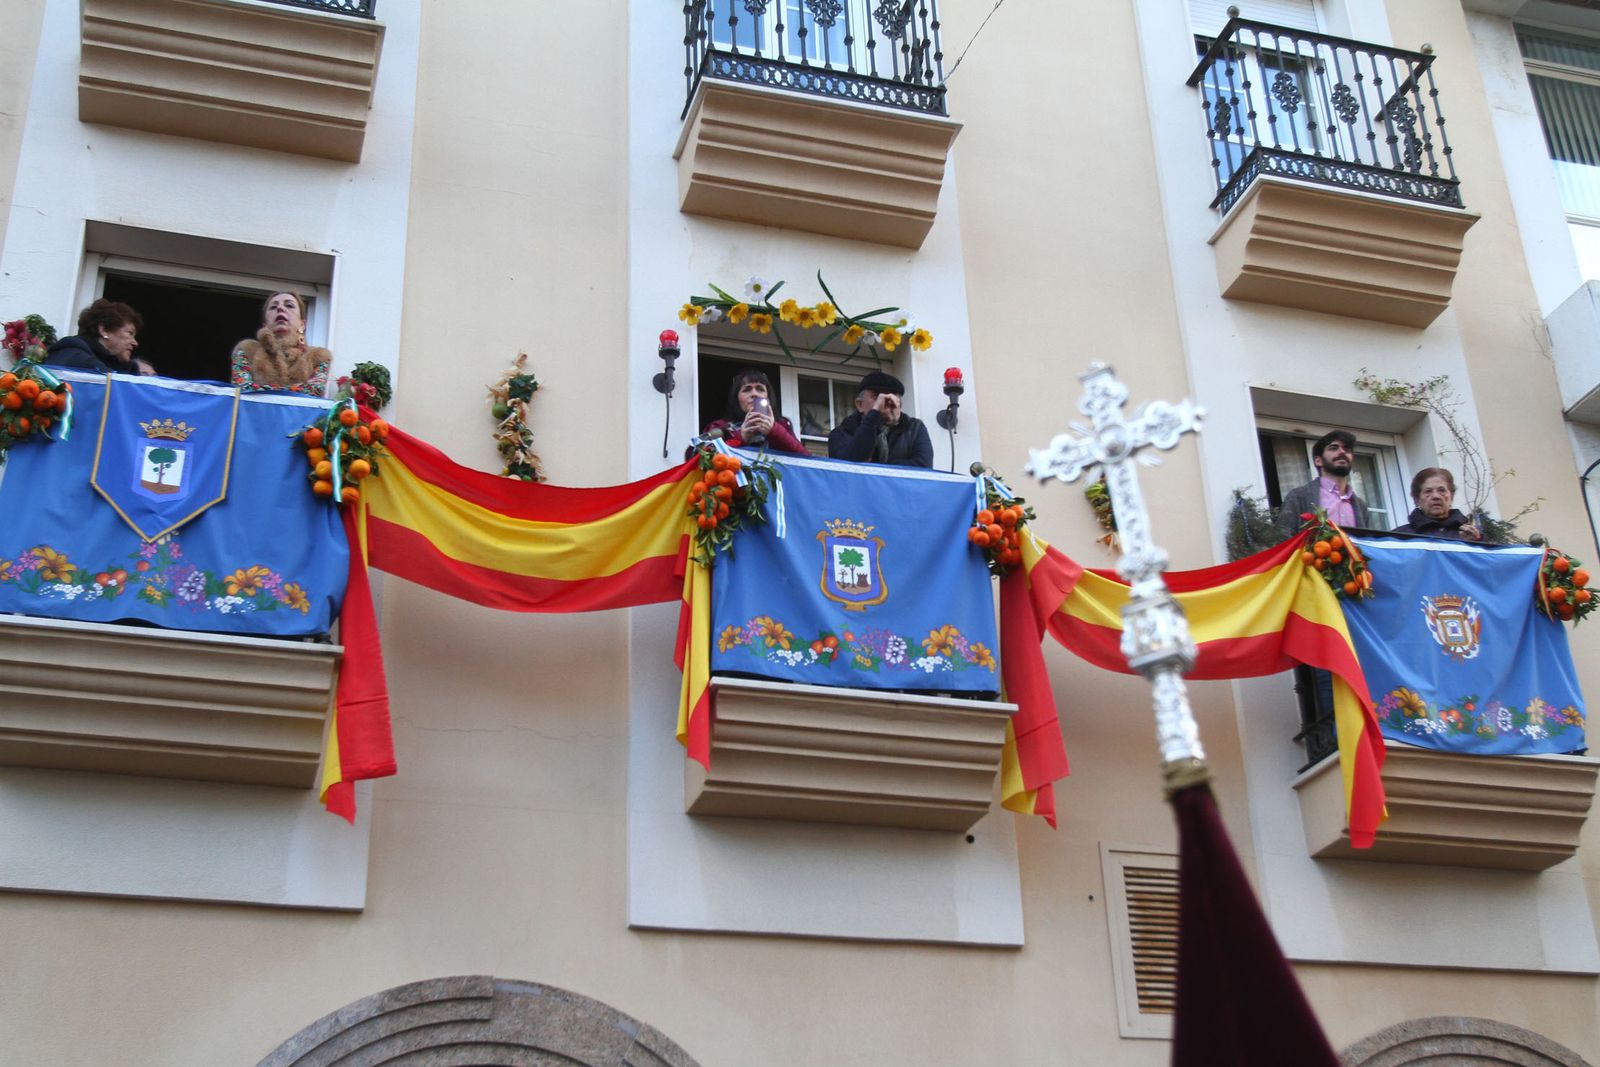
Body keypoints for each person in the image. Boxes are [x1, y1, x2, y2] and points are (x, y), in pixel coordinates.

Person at [827, 370, 933, 468]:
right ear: (860, 405)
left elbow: (923, 467)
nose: (885, 403)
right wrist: (874, 416)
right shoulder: (843, 432)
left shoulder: (914, 428)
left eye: (892, 397)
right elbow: (848, 466)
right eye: (876, 397)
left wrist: (876, 466)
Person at [230, 291, 330, 396]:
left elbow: (314, 390)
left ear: (302, 324)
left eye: (289, 305)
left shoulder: (318, 357)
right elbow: (242, 389)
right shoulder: (246, 350)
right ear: (265, 324)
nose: (280, 308)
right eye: (273, 307)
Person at [1277, 429, 1370, 535]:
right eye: (1334, 448)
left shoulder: (1360, 506)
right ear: (1318, 461)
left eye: (1347, 449)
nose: (1342, 452)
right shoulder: (1299, 496)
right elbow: (1282, 537)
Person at [701, 369, 808, 454]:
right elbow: (699, 456)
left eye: (760, 389)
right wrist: (740, 437)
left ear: (768, 397)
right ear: (736, 398)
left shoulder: (782, 425)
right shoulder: (721, 427)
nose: (754, 394)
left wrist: (774, 430)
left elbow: (805, 459)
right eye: (747, 389)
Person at [43, 299, 143, 374]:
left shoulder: (120, 365)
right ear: (104, 330)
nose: (135, 343)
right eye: (130, 333)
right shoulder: (73, 357)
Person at [1391, 467, 1483, 541]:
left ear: (1451, 496)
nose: (1436, 496)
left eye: (1441, 490)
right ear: (1417, 499)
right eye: (1428, 491)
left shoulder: (1471, 535)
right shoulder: (1399, 537)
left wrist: (1475, 543)